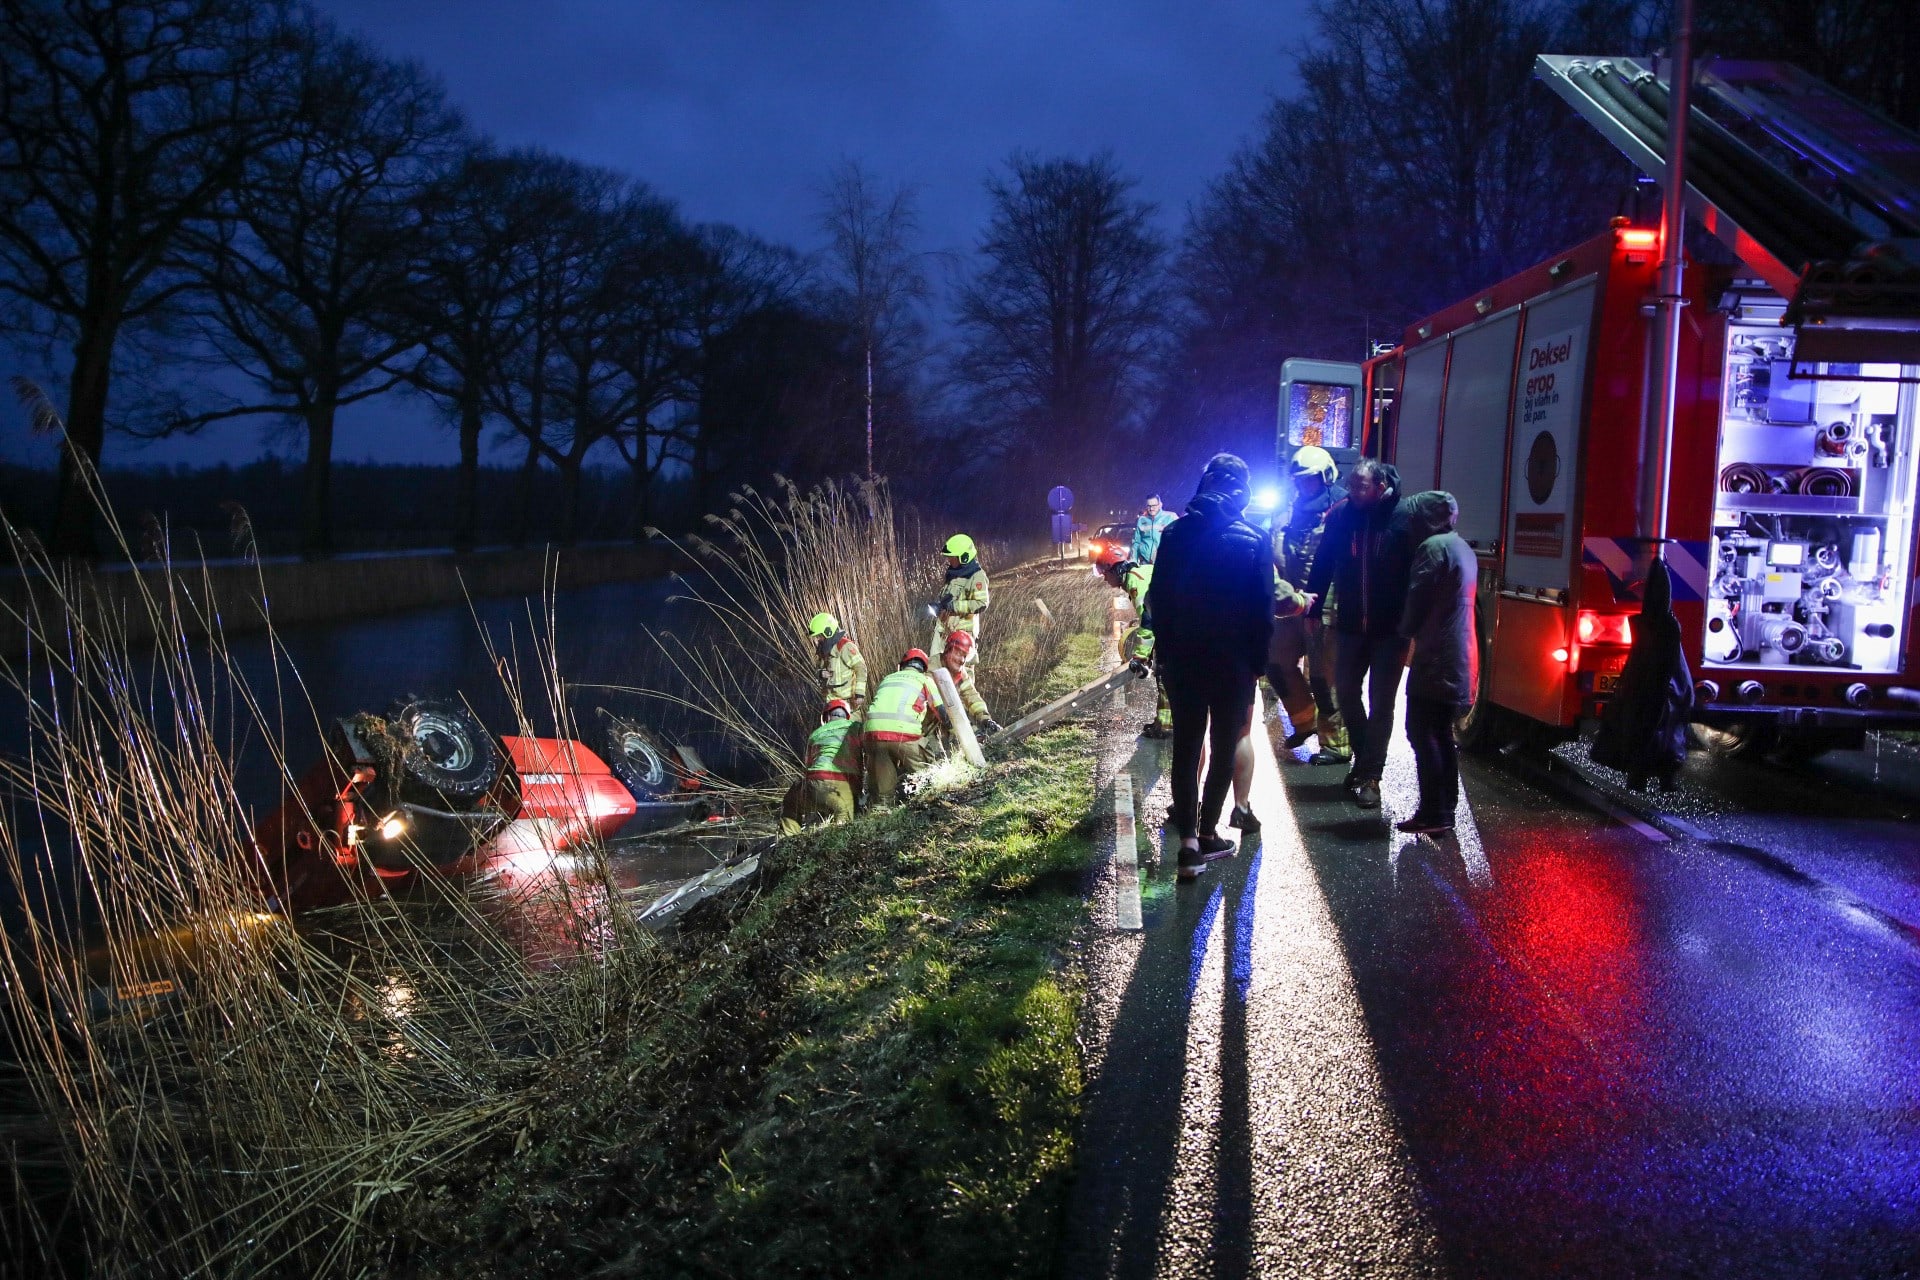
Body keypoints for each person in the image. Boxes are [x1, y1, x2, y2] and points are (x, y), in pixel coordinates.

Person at [1145, 453, 1272, 881]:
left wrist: (1166, 652)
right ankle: (1209, 833)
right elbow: (1262, 611)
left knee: (1186, 746)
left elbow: (1158, 599)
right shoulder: (1253, 537)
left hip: (1184, 661)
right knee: (1223, 745)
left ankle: (1187, 846)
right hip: (1232, 663)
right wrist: (1257, 663)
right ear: (1242, 491)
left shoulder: (1175, 533)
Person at [1305, 458, 1414, 810]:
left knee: (1382, 703)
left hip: (1390, 630)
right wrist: (1313, 607)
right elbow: (1323, 561)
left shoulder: (1404, 517)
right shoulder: (1342, 516)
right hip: (1350, 625)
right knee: (1347, 695)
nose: (1353, 492)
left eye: (1360, 487)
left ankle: (1370, 776)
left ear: (1381, 487)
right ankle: (1365, 760)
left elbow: (1419, 570)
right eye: (1351, 485)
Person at [1395, 492, 1478, 835]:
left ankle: (1434, 811)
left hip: (1436, 655)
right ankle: (1445, 807)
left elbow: (1418, 599)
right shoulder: (1461, 546)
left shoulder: (1432, 549)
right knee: (1441, 732)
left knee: (1421, 730)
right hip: (1459, 653)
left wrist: (1403, 631)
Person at [1269, 445, 1349, 765]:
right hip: (1293, 601)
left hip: (1327, 605)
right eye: (1299, 481)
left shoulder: (1344, 510)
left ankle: (1337, 746)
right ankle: (1304, 720)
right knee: (1274, 660)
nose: (1304, 486)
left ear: (1326, 476)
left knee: (1324, 677)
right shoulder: (1288, 514)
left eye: (1310, 480)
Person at [1590, 556, 1693, 791]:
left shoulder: (1642, 624)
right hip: (1662, 687)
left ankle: (1638, 776)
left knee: (1642, 730)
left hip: (1643, 687)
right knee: (1666, 733)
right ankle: (1664, 779)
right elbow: (1675, 663)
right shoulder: (1669, 626)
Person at [1100, 551, 1173, 738]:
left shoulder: (1135, 583)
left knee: (1166, 676)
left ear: (1116, 570)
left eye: (1105, 573)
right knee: (1165, 674)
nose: (1104, 579)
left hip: (1175, 628)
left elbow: (1148, 621)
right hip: (1176, 625)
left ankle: (1165, 727)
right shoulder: (1140, 573)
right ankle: (1163, 722)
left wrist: (1140, 656)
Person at [864, 648, 945, 806]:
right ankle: (931, 800)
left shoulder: (887, 679)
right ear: (924, 668)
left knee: (883, 788)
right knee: (927, 772)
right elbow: (941, 711)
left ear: (901, 666)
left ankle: (882, 812)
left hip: (873, 735)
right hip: (904, 735)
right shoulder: (925, 680)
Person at [780, 699, 862, 834]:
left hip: (814, 783)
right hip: (843, 785)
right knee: (844, 824)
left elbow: (808, 766)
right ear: (847, 715)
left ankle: (788, 841)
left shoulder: (815, 734)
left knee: (791, 802)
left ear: (826, 717)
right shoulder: (856, 728)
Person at [935, 534, 990, 662]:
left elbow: (982, 603)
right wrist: (940, 606)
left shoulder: (977, 576)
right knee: (940, 672)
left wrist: (955, 606)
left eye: (952, 557)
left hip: (963, 635)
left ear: (965, 557)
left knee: (962, 675)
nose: (949, 560)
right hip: (945, 632)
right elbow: (948, 599)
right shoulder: (953, 575)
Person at [938, 630, 1002, 736]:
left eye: (965, 656)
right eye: (958, 654)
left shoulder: (960, 672)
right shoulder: (932, 669)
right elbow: (944, 707)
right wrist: (971, 732)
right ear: (948, 650)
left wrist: (985, 719)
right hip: (923, 727)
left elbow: (971, 696)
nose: (962, 660)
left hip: (943, 724)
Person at [808, 612, 869, 715]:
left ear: (828, 631)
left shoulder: (845, 647)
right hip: (831, 704)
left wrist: (859, 694)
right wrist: (820, 673)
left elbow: (861, 668)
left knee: (850, 730)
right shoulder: (823, 650)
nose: (818, 639)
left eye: (819, 635)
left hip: (849, 706)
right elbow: (818, 669)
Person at [1131, 495, 1176, 564]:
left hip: (1165, 563)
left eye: (1154, 505)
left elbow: (1181, 539)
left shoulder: (1171, 517)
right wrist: (1133, 560)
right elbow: (1136, 542)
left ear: (1160, 505)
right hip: (1145, 563)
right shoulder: (1141, 520)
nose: (1151, 508)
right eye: (1149, 506)